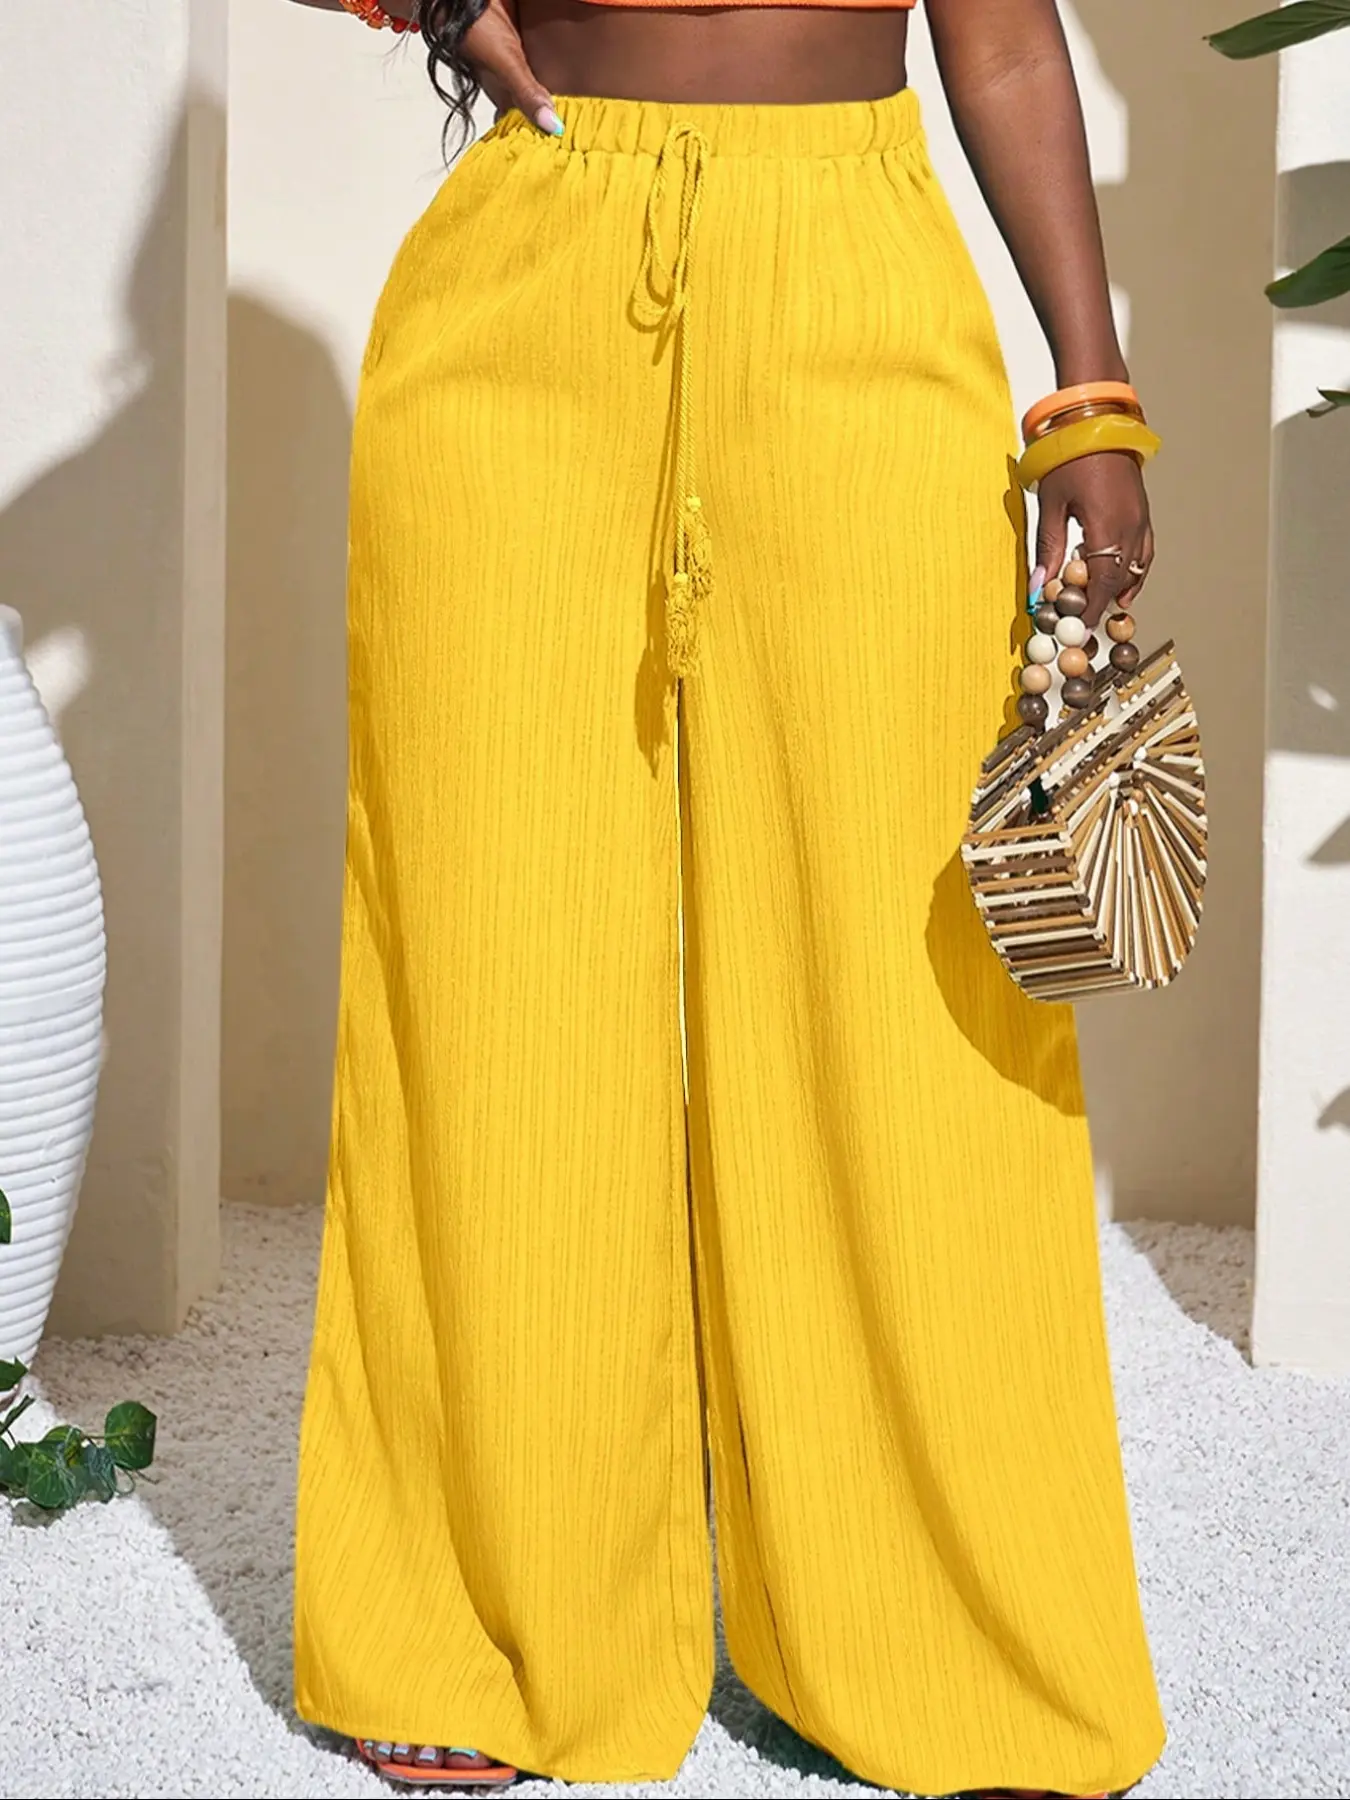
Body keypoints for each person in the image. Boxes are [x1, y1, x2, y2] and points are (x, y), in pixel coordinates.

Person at [287, 1, 1167, 1794]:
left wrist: (1089, 389)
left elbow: (1003, 45)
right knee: (496, 955)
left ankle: (943, 1631)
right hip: (528, 287)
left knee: (900, 997)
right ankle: (482, 1617)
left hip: (854, 270)